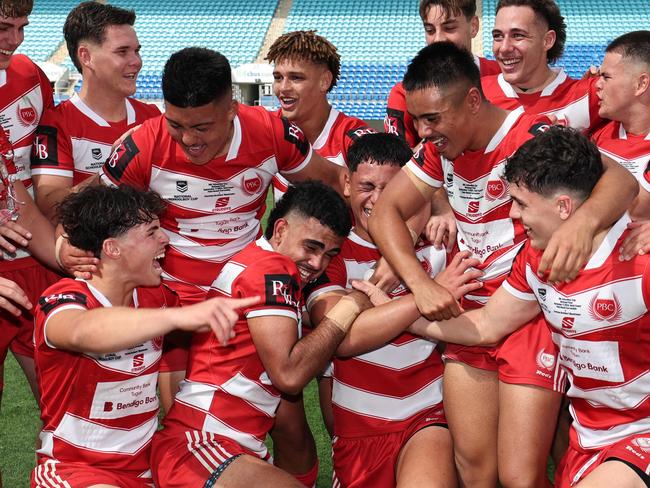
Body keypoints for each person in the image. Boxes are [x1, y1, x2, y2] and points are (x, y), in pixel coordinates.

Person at [369, 42, 636, 487]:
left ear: (473, 101)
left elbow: (620, 178)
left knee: (519, 477)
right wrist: (421, 285)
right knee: (475, 471)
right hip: (471, 316)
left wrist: (581, 225)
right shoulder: (439, 150)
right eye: (417, 119)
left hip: (528, 315)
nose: (423, 131)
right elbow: (384, 213)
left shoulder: (531, 134)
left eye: (432, 118)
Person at [88, 46, 345, 414]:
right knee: (182, 415)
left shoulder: (273, 133)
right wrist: (69, 244)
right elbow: (87, 210)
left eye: (202, 127)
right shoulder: (143, 143)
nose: (189, 139)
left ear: (232, 108)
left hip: (250, 294)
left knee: (287, 421)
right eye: (176, 125)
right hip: (174, 296)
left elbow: (335, 183)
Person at [31, 185, 257, 488]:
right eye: (151, 232)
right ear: (112, 248)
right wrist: (177, 317)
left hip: (148, 466)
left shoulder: (155, 296)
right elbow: (81, 330)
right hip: (75, 469)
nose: (165, 240)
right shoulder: (63, 299)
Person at [150, 181, 370, 487]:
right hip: (204, 444)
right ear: (279, 231)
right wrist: (349, 307)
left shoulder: (258, 262)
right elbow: (289, 375)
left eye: (330, 255)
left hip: (224, 448)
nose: (318, 264)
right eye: (311, 247)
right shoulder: (273, 269)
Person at [304, 132, 482, 487]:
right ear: (347, 184)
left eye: (392, 187)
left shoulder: (439, 245)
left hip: (426, 415)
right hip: (359, 427)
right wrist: (425, 294)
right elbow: (340, 337)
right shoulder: (331, 255)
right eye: (367, 186)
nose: (378, 199)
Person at [31, 1, 159, 223]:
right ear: (86, 57)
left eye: (137, 51)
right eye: (122, 52)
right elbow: (51, 209)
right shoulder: (57, 122)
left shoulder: (153, 117)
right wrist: (111, 171)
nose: (136, 62)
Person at [0, 0, 63, 406]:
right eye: (4, 26)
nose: (15, 39)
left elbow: (35, 179)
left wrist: (65, 254)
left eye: (23, 27)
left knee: (60, 404)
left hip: (32, 257)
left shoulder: (30, 76)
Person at [266, 30, 375, 200]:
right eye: (278, 77)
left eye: (296, 78)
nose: (283, 88)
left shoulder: (352, 137)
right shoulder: (268, 129)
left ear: (324, 81)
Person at [385, 0, 500, 147]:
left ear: (473, 26)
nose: (438, 39)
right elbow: (395, 165)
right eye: (430, 30)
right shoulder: (404, 94)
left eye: (449, 28)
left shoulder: (502, 76)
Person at [482, 0, 601, 132]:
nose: (504, 48)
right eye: (498, 36)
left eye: (517, 36)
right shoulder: (476, 94)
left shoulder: (590, 97)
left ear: (547, 40)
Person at [591, 31, 650, 220]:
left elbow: (637, 207)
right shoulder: (599, 135)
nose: (596, 85)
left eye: (606, 77)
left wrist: (583, 155)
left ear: (641, 84)